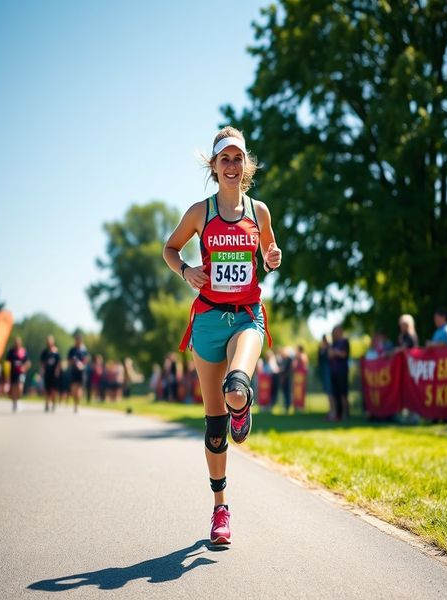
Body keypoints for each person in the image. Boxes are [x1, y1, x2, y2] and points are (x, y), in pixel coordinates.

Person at [162, 126, 281, 545]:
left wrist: (271, 256)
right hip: (208, 322)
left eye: (237, 158)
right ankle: (220, 509)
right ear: (214, 167)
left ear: (246, 166)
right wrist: (186, 270)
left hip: (247, 317)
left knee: (237, 386)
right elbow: (170, 249)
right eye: (224, 159)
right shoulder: (201, 212)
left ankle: (241, 404)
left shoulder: (259, 211)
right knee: (214, 428)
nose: (232, 166)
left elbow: (268, 252)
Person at [329, 326, 350, 421]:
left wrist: (336, 352)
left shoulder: (345, 342)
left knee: (343, 393)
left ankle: (346, 413)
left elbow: (344, 354)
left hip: (342, 371)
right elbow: (329, 355)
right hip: (334, 372)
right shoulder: (334, 343)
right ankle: (338, 414)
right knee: (336, 394)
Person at [6, 336, 30, 412]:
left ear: (20, 343)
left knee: (19, 388)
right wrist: (7, 373)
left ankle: (18, 400)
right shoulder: (11, 352)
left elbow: (28, 362)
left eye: (18, 343)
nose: (17, 344)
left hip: (21, 373)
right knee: (13, 388)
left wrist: (24, 367)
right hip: (13, 372)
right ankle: (14, 402)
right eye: (15, 343)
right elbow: (7, 363)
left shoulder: (24, 351)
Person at [68, 332, 89, 413]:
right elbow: (69, 360)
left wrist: (82, 365)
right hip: (73, 371)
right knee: (73, 391)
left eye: (79, 340)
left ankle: (77, 405)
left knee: (79, 390)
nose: (78, 341)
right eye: (77, 340)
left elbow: (86, 360)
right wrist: (74, 362)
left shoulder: (84, 350)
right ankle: (75, 402)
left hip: (81, 372)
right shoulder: (72, 350)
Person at [40, 335, 61, 412]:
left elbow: (59, 363)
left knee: (53, 390)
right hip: (47, 373)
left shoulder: (56, 353)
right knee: (47, 390)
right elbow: (42, 363)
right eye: (48, 342)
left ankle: (53, 403)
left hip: (54, 374)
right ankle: (47, 404)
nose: (49, 343)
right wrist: (42, 371)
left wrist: (57, 371)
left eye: (50, 342)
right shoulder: (45, 352)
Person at [317, 335, 334, 420]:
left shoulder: (329, 348)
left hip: (329, 372)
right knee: (328, 393)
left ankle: (333, 412)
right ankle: (331, 411)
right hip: (324, 372)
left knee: (331, 392)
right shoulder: (321, 349)